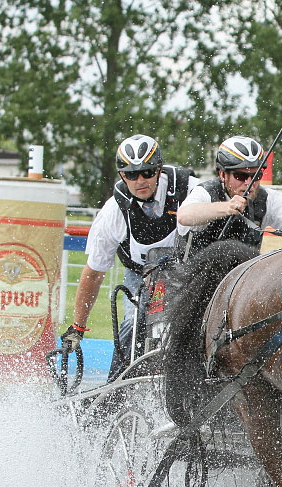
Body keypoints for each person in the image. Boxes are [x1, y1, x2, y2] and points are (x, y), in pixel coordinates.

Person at [61, 134, 201, 380]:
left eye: (147, 172)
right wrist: (78, 327)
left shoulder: (189, 189)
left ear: (159, 169)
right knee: (133, 326)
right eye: (132, 175)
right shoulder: (113, 213)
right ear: (122, 175)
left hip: (190, 273)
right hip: (141, 278)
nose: (140, 180)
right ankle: (115, 392)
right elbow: (93, 274)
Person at [176, 135, 282, 257]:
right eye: (241, 176)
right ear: (222, 174)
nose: (249, 183)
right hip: (194, 279)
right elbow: (184, 215)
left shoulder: (266, 198)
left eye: (256, 176)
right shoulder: (206, 192)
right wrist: (227, 207)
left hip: (240, 281)